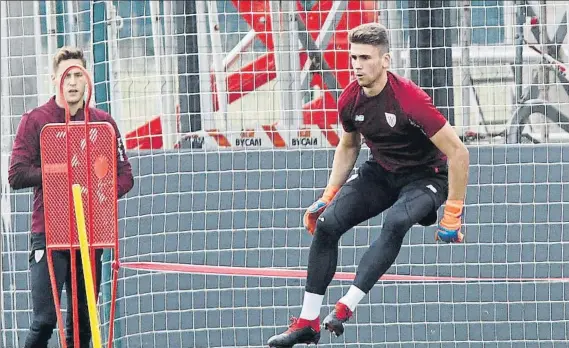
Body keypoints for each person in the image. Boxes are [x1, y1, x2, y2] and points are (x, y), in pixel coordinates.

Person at [267, 22, 470, 347]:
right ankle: (307, 323)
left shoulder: (410, 99)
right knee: (327, 226)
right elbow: (349, 146)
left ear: (385, 61)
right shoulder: (349, 100)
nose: (358, 66)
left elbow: (459, 153)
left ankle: (346, 306)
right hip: (381, 171)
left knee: (395, 223)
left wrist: (453, 212)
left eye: (365, 58)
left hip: (426, 176)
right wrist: (328, 195)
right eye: (353, 58)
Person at [8, 46, 134, 348]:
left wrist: (99, 193)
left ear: (87, 79)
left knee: (84, 323)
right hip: (49, 233)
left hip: (90, 233)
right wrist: (59, 171)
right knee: (44, 320)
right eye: (67, 75)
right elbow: (16, 175)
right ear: (55, 79)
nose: (73, 82)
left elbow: (125, 176)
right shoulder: (36, 120)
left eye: (79, 74)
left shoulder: (103, 123)